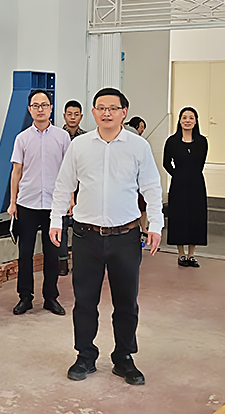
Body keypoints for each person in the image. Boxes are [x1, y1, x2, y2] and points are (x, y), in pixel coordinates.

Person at [50, 87, 163, 385]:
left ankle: (124, 357)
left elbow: (151, 187)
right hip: (86, 236)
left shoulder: (138, 146)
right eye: (101, 108)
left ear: (124, 112)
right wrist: (56, 219)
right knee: (85, 301)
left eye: (113, 108)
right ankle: (85, 355)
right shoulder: (80, 145)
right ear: (93, 112)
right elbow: (63, 185)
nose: (107, 113)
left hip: (126, 236)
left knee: (126, 301)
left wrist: (156, 224)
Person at [8, 90, 72, 316]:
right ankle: (25, 297)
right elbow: (16, 172)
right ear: (30, 109)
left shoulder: (62, 137)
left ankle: (50, 298)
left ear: (51, 108)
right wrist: (13, 202)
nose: (40, 109)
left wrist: (71, 198)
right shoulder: (22, 138)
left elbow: (69, 171)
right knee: (25, 253)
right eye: (35, 105)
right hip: (27, 202)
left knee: (52, 253)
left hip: (55, 204)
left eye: (44, 105)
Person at [163, 108, 208, 267]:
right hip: (178, 184)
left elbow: (201, 163)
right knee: (179, 216)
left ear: (196, 121)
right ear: (180, 120)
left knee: (196, 216)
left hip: (196, 183)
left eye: (191, 118)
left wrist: (191, 174)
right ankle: (181, 254)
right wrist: (178, 174)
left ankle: (192, 254)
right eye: (184, 117)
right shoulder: (172, 141)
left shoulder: (202, 141)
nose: (187, 120)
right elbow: (166, 163)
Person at [59, 100, 86, 275]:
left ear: (81, 117)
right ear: (64, 116)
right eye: (69, 114)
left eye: (76, 114)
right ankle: (62, 261)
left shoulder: (86, 138)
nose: (73, 117)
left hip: (82, 187)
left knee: (80, 226)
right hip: (62, 185)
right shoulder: (58, 136)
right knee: (61, 225)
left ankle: (79, 261)